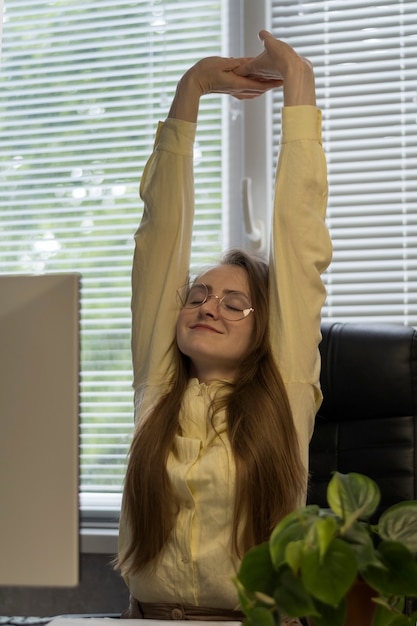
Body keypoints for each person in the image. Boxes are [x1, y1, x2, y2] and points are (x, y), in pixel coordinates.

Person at [116, 31, 332, 626]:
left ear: (265, 330)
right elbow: (159, 237)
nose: (209, 306)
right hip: (147, 619)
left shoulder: (284, 390)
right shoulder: (159, 386)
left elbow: (299, 239)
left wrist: (298, 83)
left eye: (235, 304)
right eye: (200, 295)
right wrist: (192, 89)